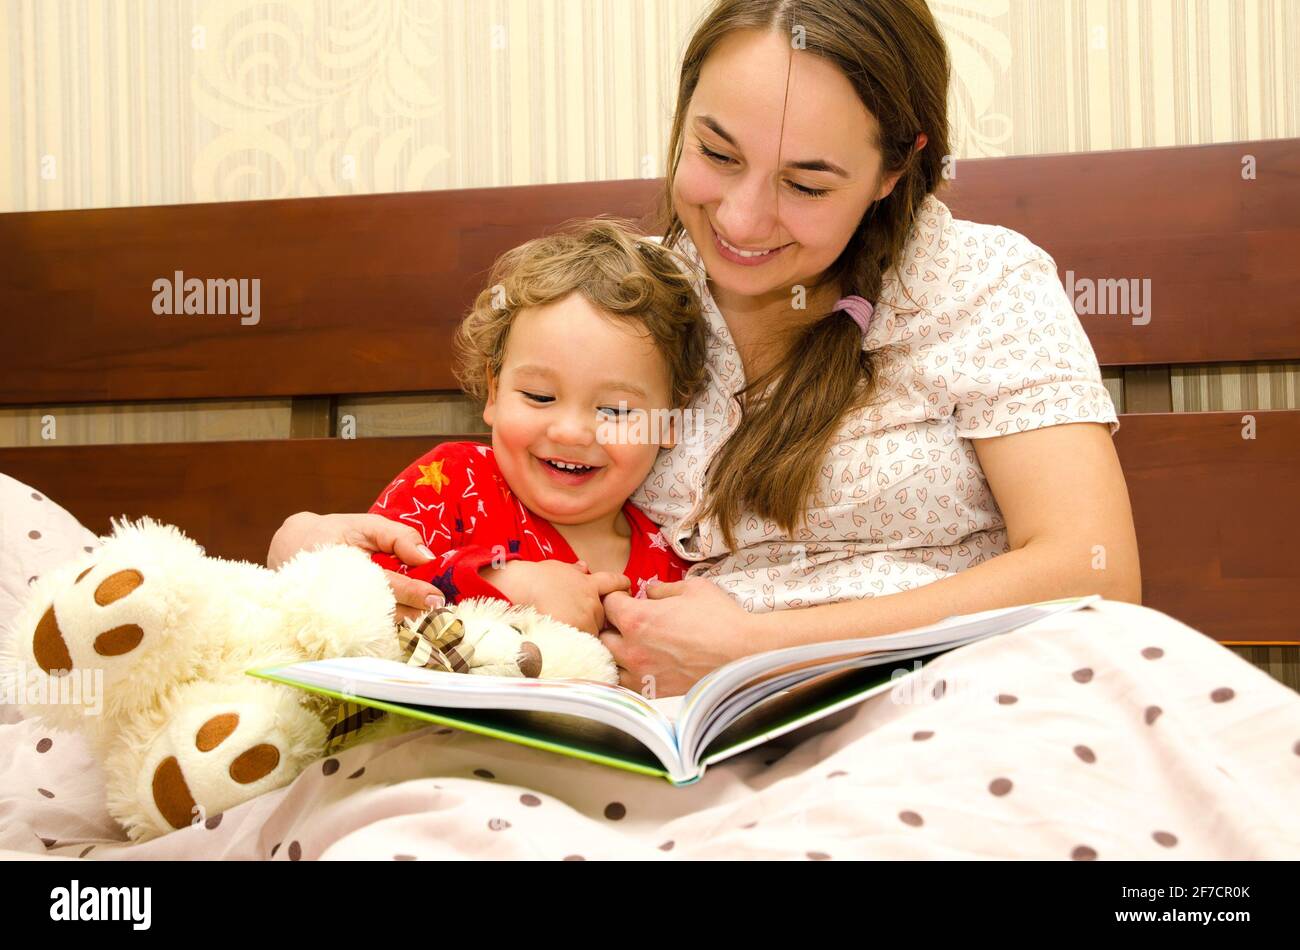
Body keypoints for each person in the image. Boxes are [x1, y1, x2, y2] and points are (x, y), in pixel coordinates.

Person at [268, 0, 1141, 698]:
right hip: (666, 732)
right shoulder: (633, 306)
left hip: (944, 706)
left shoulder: (979, 284)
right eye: (716, 154)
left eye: (806, 182)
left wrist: (764, 647)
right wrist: (350, 562)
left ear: (894, 168)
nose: (742, 219)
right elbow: (510, 510)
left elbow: (1090, 569)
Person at [363, 218, 708, 636]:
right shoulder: (453, 482)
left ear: (671, 420)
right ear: (494, 393)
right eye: (540, 397)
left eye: (615, 411)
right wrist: (503, 583)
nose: (570, 432)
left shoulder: (671, 569)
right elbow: (358, 584)